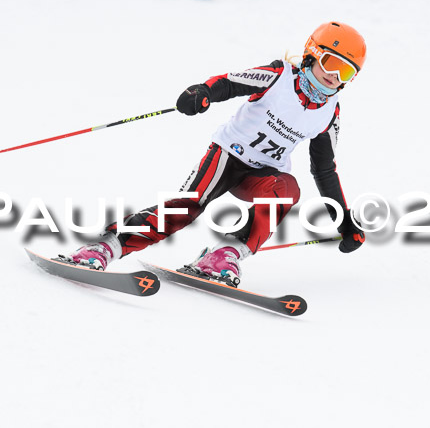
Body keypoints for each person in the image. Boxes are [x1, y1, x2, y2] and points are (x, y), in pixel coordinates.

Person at [65, 22, 367, 287]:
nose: (334, 76)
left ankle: (225, 256)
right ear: (312, 54)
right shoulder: (279, 77)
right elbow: (230, 82)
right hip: (227, 156)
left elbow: (325, 170)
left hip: (261, 176)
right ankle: (106, 247)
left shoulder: (328, 114)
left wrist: (343, 220)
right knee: (188, 206)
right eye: (330, 63)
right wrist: (202, 92)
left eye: (346, 71)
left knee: (287, 190)